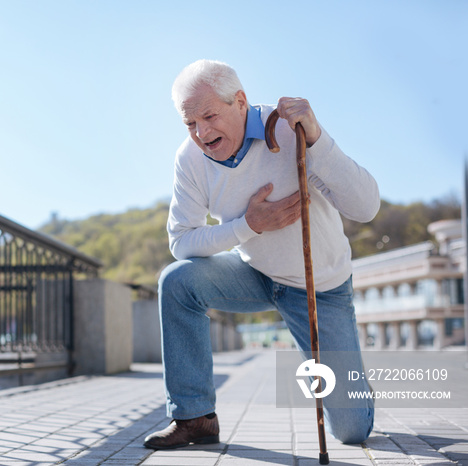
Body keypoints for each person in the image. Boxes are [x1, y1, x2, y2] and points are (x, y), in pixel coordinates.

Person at [143, 59, 378, 450]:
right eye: (190, 123)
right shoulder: (189, 159)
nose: (201, 133)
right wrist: (249, 225)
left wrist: (317, 138)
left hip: (319, 287)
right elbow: (181, 242)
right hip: (254, 274)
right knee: (177, 281)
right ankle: (195, 416)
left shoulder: (290, 130)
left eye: (209, 116)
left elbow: (366, 208)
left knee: (352, 431)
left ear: (240, 101)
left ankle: (355, 388)